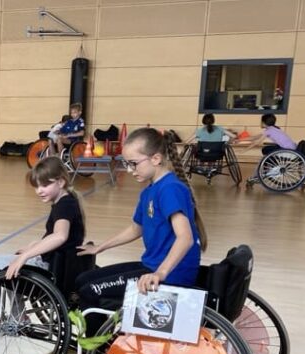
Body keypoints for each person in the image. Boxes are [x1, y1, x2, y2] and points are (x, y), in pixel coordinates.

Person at [74, 127, 207, 331]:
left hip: (169, 273)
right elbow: (136, 228)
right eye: (127, 164)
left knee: (90, 291)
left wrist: (160, 273)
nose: (129, 170)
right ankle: (104, 337)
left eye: (134, 164)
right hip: (152, 266)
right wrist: (100, 248)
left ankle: (98, 353)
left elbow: (185, 238)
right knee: (83, 279)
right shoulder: (150, 190)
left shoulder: (170, 188)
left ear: (155, 158)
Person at [0, 157, 87, 339]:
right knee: (9, 266)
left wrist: (25, 256)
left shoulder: (64, 205)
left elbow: (60, 236)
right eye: (36, 186)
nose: (39, 191)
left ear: (61, 181)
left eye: (44, 185)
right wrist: (32, 246)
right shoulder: (67, 200)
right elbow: (57, 236)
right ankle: (19, 316)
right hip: (59, 263)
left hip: (51, 269)